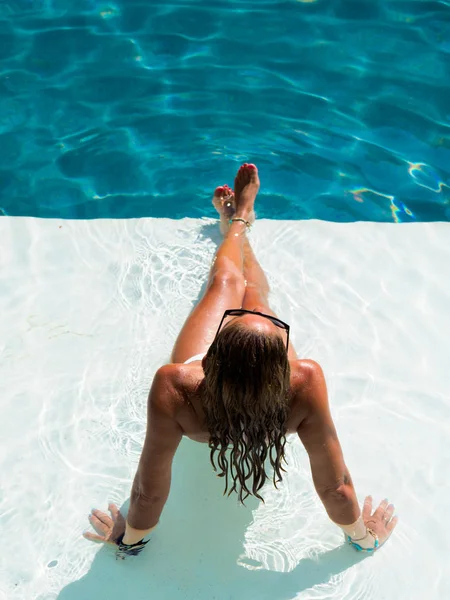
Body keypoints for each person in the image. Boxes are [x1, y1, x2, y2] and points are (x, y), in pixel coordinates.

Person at [84, 163, 397, 558]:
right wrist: (364, 539)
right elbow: (335, 487)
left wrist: (128, 541)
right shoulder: (305, 382)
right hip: (267, 405)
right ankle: (240, 220)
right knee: (255, 295)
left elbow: (148, 491)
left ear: (213, 356)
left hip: (205, 409)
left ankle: (235, 225)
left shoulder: (175, 386)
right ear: (283, 368)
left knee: (226, 283)